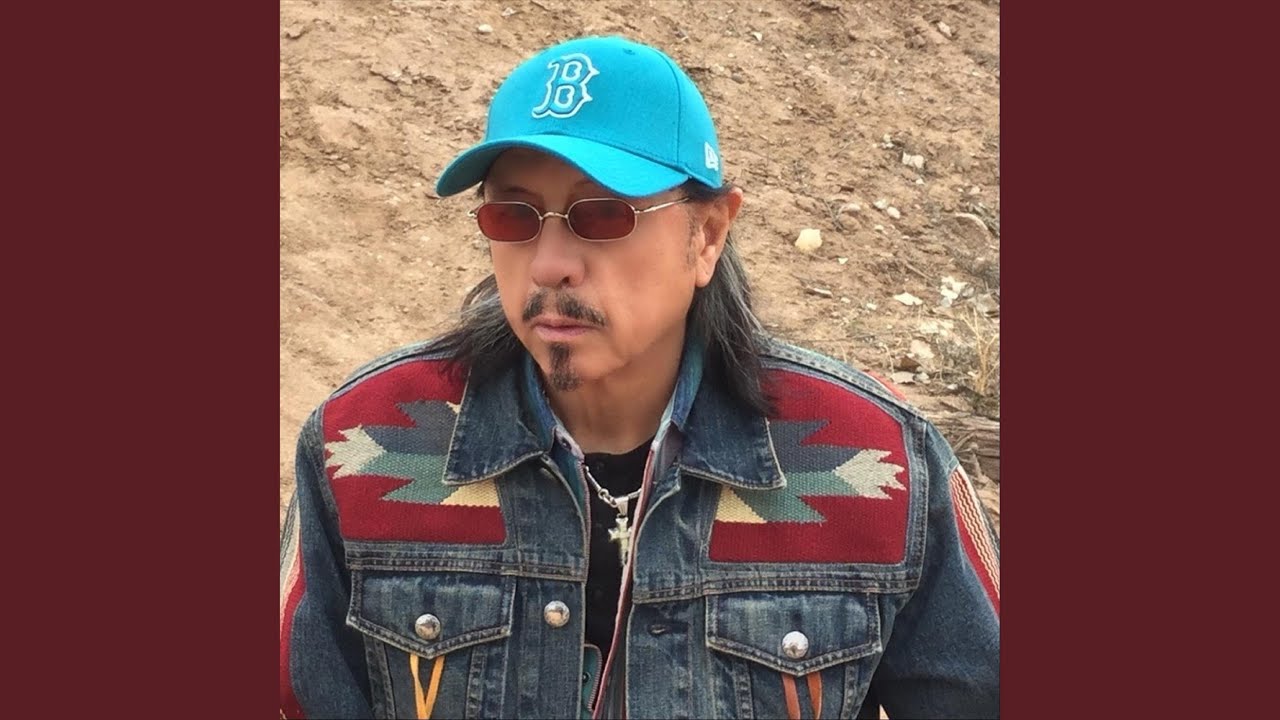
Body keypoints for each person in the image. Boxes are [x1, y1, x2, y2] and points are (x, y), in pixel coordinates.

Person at [280, 35, 999, 720]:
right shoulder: (362, 449)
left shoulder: (878, 462)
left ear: (707, 235)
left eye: (602, 215)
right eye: (513, 215)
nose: (549, 263)